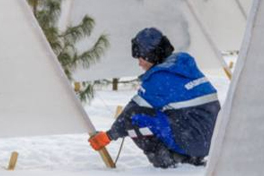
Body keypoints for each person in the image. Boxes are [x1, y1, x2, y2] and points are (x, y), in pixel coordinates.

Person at [88, 28, 220, 168]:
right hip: (212, 140)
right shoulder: (182, 66)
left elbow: (132, 111)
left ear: (152, 56)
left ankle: (165, 162)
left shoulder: (160, 78)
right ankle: (188, 157)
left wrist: (108, 136)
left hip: (193, 139)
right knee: (166, 113)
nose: (139, 63)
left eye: (141, 58)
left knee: (134, 119)